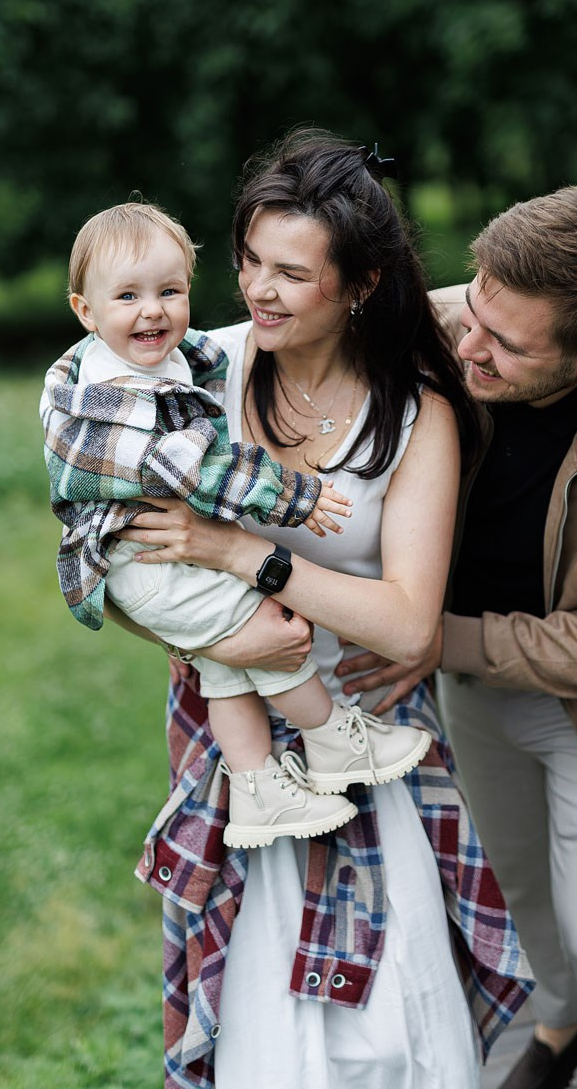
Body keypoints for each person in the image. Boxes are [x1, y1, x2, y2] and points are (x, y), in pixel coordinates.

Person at [113, 129, 535, 1088]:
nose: (257, 290)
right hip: (240, 735)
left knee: (391, 1017)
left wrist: (238, 554)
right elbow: (125, 549)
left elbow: (406, 626)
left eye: (291, 273)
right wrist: (211, 635)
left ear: (361, 285)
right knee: (265, 1007)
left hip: (369, 724)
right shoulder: (197, 375)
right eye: (249, 261)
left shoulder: (413, 412)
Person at [338, 184, 577, 1089]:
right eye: (472, 306)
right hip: (475, 689)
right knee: (517, 887)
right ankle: (560, 1030)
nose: (466, 345)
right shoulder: (441, 327)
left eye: (507, 345)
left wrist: (442, 642)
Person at [40, 200, 432, 850]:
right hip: (144, 563)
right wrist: (291, 496)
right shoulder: (114, 393)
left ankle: (255, 786)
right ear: (85, 312)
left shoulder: (172, 355)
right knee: (270, 630)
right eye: (129, 296)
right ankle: (331, 738)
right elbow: (198, 469)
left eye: (170, 291)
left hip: (155, 564)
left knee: (233, 664)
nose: (153, 311)